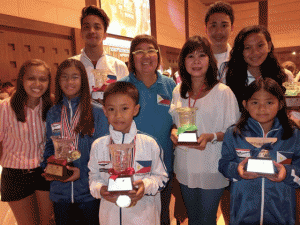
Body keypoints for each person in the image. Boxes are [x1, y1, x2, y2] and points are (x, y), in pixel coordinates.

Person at [169, 36, 240, 225]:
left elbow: (234, 132)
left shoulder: (223, 92)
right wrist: (174, 132)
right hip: (185, 166)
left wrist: (212, 137)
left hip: (211, 166)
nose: (197, 61)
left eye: (202, 55)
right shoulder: (178, 91)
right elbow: (175, 123)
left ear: (210, 60)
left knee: (207, 219)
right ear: (183, 62)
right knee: (193, 218)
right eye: (190, 56)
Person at [219, 77, 300, 225]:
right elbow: (224, 164)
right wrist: (238, 170)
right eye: (255, 102)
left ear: (280, 104)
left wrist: (287, 173)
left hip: (281, 214)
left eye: (269, 102)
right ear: (245, 104)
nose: (262, 109)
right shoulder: (234, 133)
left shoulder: (293, 135)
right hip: (243, 213)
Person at [88, 81, 168, 224]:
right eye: (111, 109)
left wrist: (145, 186)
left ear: (135, 110)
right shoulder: (98, 146)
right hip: (110, 218)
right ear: (105, 111)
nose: (118, 115)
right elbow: (93, 178)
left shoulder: (149, 144)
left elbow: (161, 179)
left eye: (124, 108)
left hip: (143, 218)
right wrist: (100, 190)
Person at [41, 59, 109, 225]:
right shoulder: (53, 112)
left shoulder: (97, 112)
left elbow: (104, 153)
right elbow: (49, 146)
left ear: (83, 80)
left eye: (74, 77)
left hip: (88, 192)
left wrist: (83, 172)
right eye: (64, 77)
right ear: (58, 81)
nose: (69, 82)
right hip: (60, 193)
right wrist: (48, 167)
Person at [120, 34, 176, 224]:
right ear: (132, 57)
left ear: (158, 55)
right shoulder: (122, 86)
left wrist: (177, 129)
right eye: (139, 52)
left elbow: (177, 120)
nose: (146, 56)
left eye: (151, 51)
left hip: (163, 166)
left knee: (162, 217)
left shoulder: (170, 85)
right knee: (134, 216)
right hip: (132, 168)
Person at [0, 59, 54, 225]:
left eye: (43, 79)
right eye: (31, 78)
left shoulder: (51, 106)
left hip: (44, 172)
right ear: (21, 80)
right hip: (15, 175)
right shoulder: (4, 108)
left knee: (47, 222)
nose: (37, 84)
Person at [71, 5, 129, 101]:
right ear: (81, 33)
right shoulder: (71, 64)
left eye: (97, 27)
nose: (91, 31)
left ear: (105, 34)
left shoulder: (119, 67)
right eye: (86, 27)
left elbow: (126, 100)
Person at [226, 25, 287, 110]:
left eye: (260, 45)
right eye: (247, 47)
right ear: (241, 51)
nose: (255, 52)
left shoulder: (280, 75)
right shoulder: (230, 77)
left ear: (268, 46)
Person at [205, 1, 234, 84]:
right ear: (206, 29)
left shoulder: (238, 59)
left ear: (232, 28)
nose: (218, 32)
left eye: (224, 25)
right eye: (213, 25)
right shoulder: (198, 60)